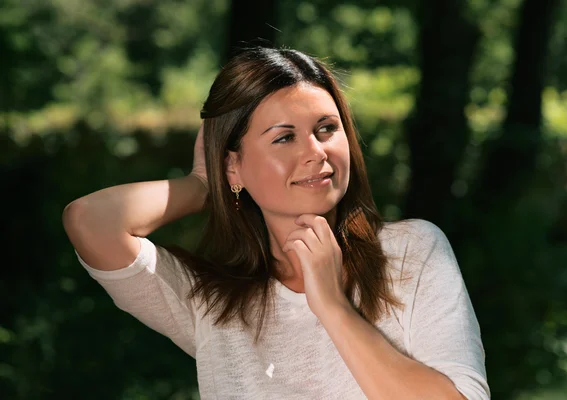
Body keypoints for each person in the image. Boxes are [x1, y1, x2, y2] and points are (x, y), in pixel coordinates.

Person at [63, 47, 490, 400]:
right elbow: (90, 221)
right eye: (284, 137)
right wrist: (202, 184)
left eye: (326, 129)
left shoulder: (411, 250)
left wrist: (333, 306)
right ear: (234, 166)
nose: (316, 152)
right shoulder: (210, 302)